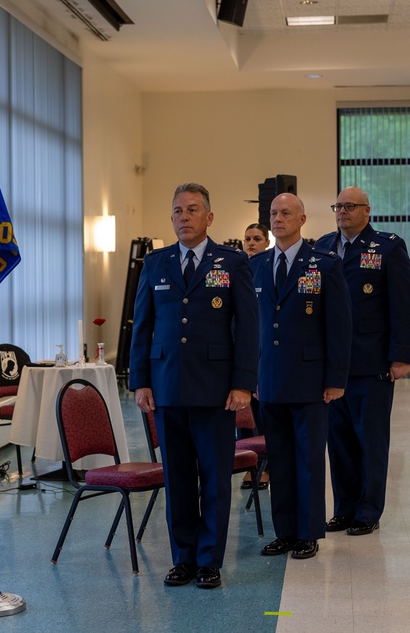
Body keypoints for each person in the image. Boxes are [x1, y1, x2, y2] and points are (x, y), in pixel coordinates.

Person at [129, 182, 258, 589]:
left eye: (192, 210)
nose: (184, 217)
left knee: (216, 479)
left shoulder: (232, 262)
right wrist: (140, 381)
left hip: (216, 391)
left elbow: (248, 328)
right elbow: (143, 327)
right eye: (178, 211)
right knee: (179, 478)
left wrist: (242, 384)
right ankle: (183, 558)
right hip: (166, 388)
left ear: (209, 217)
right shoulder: (156, 263)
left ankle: (209, 561)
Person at [252, 192, 351, 560]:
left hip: (310, 378)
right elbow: (249, 327)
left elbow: (339, 326)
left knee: (308, 457)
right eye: (274, 213)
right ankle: (286, 531)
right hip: (270, 379)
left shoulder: (323, 264)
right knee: (280, 459)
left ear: (303, 220)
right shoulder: (257, 265)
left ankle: (308, 532)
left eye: (286, 213)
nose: (278, 219)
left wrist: (336, 378)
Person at [315, 186, 410, 537]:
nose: (342, 211)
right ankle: (345, 507)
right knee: (338, 441)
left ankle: (368, 510)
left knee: (370, 440)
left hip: (371, 362)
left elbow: (404, 305)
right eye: (338, 206)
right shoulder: (322, 247)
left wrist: (401, 356)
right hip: (331, 366)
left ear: (367, 211)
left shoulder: (388, 247)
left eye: (349, 206)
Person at [240, 222, 270, 490]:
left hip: (263, 349)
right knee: (243, 413)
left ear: (266, 242)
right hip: (240, 349)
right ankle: (248, 463)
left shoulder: (267, 268)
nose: (250, 243)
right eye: (247, 239)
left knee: (261, 413)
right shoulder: (237, 269)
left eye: (256, 238)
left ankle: (266, 466)